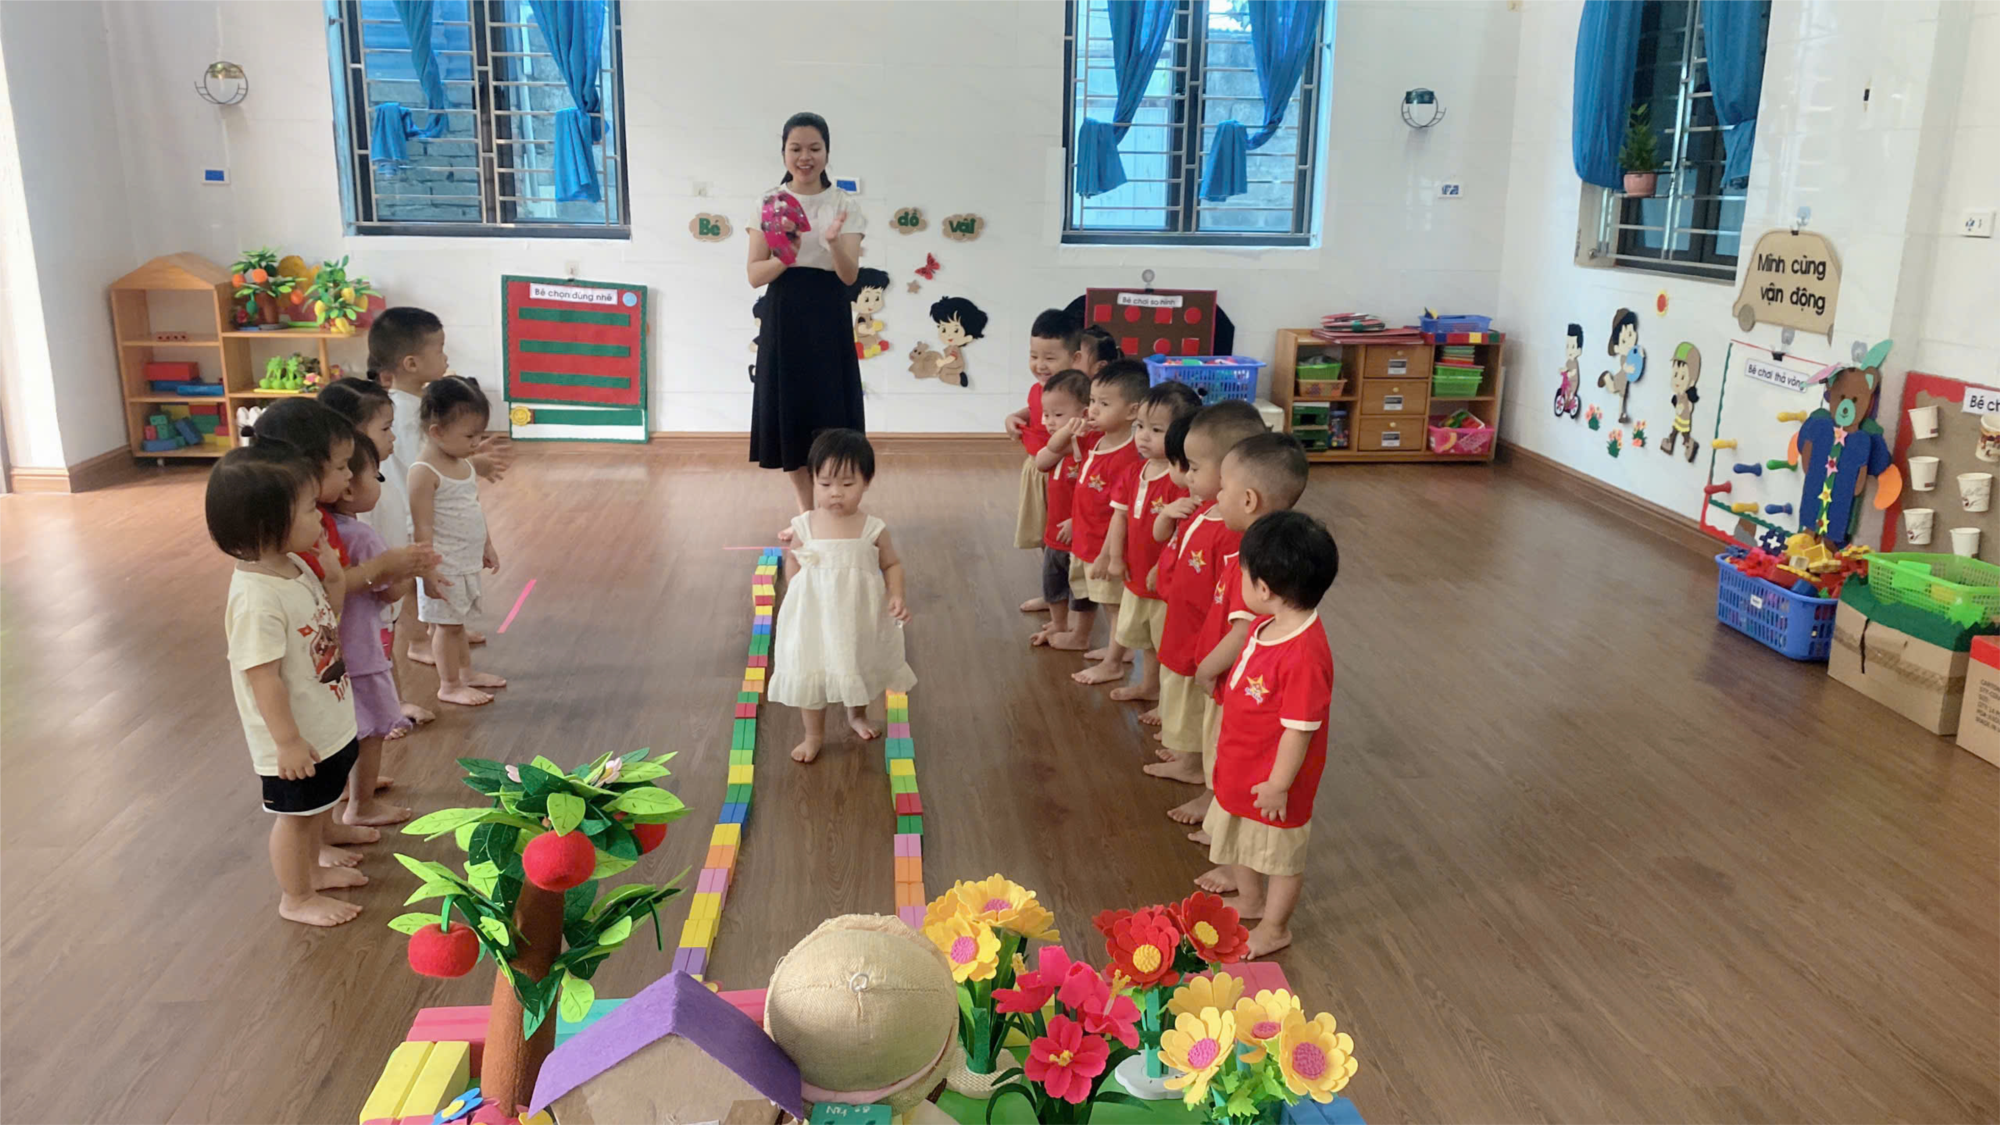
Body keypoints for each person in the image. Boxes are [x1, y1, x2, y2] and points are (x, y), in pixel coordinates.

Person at [208, 446, 365, 927]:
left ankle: (313, 867)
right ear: (267, 525)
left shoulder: (294, 565)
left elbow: (325, 622)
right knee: (296, 818)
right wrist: (287, 742)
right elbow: (262, 677)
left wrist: (333, 579)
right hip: (295, 736)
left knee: (318, 805)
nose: (320, 517)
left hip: (322, 717)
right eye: (308, 509)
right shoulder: (256, 599)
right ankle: (296, 897)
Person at [1204, 509, 1338, 957]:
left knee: (1280, 858)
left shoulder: (1304, 654)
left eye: (1242, 574)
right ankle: (1250, 900)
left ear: (1263, 589)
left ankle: (1276, 927)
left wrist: (1279, 785)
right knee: (1241, 839)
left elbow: (1299, 731)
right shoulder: (1266, 626)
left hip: (1274, 784)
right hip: (1243, 764)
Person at [1190, 432, 1311, 890]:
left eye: (1222, 487)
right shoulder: (1261, 550)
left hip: (1238, 691)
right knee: (1227, 766)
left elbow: (1242, 632)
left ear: (1247, 499)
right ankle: (1226, 839)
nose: (1216, 496)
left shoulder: (1259, 564)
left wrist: (1206, 668)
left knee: (1232, 767)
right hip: (1240, 688)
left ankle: (1234, 860)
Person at [367, 308, 508, 674]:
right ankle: (418, 640)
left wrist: (468, 453)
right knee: (413, 581)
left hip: (421, 509)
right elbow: (426, 464)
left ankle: (446, 627)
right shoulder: (402, 412)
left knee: (430, 580)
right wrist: (474, 462)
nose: (446, 357)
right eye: (440, 349)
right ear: (411, 363)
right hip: (408, 512)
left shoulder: (418, 403)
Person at [1144, 402, 1267, 814]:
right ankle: (1188, 755)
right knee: (1185, 700)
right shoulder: (1205, 509)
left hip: (1206, 636)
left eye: (1195, 467)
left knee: (1205, 712)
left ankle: (1198, 770)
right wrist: (1160, 571)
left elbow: (1234, 605)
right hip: (1184, 623)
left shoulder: (1235, 533)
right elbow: (1178, 548)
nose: (1188, 476)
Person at [768, 429, 917, 764]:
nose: (836, 493)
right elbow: (793, 559)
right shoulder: (804, 525)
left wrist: (896, 595)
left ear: (866, 482)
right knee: (811, 668)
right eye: (825, 484)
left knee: (855, 660)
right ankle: (813, 735)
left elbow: (891, 564)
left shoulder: (872, 528)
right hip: (813, 614)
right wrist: (795, 589)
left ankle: (857, 715)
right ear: (812, 480)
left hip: (856, 613)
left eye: (848, 484)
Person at [748, 112, 868, 522]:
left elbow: (849, 276)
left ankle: (837, 506)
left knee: (832, 413)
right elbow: (754, 274)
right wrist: (787, 255)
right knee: (791, 412)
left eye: (814, 148)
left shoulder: (844, 205)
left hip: (829, 313)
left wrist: (831, 243)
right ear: (783, 153)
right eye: (796, 148)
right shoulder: (769, 203)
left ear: (827, 153)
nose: (805, 157)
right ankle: (806, 514)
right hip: (785, 312)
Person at [320, 376, 431, 739]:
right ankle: (377, 714)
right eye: (385, 428)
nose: (392, 437)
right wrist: (396, 571)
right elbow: (360, 557)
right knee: (371, 655)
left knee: (384, 649)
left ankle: (392, 705)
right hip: (371, 593)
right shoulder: (353, 500)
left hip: (384, 589)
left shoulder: (374, 477)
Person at [327, 437, 416, 827]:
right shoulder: (361, 536)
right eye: (376, 476)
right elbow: (389, 591)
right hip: (361, 649)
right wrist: (410, 569)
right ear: (348, 489)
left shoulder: (323, 530)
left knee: (343, 725)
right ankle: (362, 805)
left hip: (329, 654)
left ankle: (352, 787)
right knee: (372, 730)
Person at [1101, 380, 1201, 711]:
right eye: (1140, 426)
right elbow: (1119, 517)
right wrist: (1115, 557)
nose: (1143, 436)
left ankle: (1166, 701)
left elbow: (1182, 535)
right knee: (1145, 638)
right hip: (1136, 572)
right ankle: (1149, 686)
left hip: (1165, 582)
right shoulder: (1133, 471)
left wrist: (1162, 568)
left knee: (1165, 642)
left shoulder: (1182, 482)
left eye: (1156, 430)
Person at [1046, 359, 1146, 684]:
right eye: (1091, 401)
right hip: (1086, 540)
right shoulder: (1094, 439)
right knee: (1105, 601)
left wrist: (1107, 555)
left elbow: (1120, 514)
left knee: (1115, 607)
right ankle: (1121, 651)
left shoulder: (1129, 457)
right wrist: (1069, 429)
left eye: (1104, 403)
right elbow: (1051, 451)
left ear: (1132, 411)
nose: (1092, 410)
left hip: (1105, 547)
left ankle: (1114, 663)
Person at [409, 377, 506, 707]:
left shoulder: (462, 464)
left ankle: (466, 674)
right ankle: (448, 685)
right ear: (437, 432)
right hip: (443, 567)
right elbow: (422, 527)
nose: (476, 443)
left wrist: (486, 545)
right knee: (446, 628)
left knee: (456, 625)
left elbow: (472, 509)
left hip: (464, 561)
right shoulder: (423, 472)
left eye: (479, 434)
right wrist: (427, 571)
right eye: (469, 436)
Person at [1010, 309, 1084, 612]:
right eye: (1034, 356)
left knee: (1064, 537)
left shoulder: (1076, 392)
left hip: (1061, 472)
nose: (1040, 365)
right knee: (1045, 534)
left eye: (1050, 358)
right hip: (1036, 469)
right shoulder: (1038, 389)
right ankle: (1052, 591)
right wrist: (1015, 416)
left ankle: (1072, 595)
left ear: (1075, 358)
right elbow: (1034, 408)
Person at [1029, 370, 1096, 648]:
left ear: (1083, 414)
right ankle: (1059, 623)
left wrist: (1076, 521)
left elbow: (1094, 496)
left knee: (1082, 589)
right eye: (1046, 414)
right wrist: (1063, 435)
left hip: (1080, 535)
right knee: (1053, 581)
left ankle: (1080, 634)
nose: (1049, 421)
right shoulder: (1058, 447)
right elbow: (1041, 462)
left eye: (1058, 415)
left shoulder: (1089, 445)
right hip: (1055, 533)